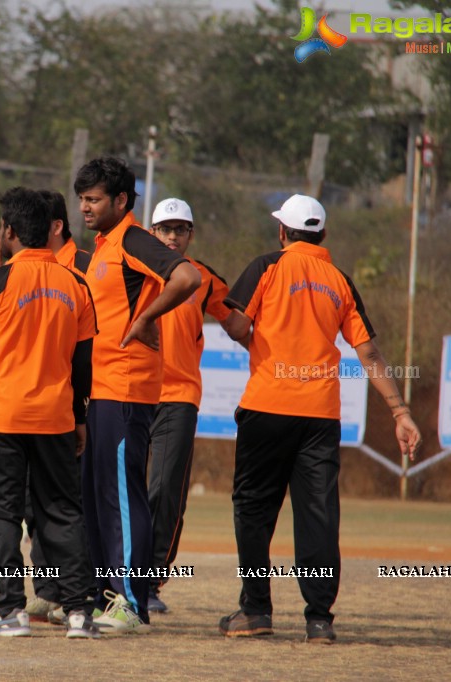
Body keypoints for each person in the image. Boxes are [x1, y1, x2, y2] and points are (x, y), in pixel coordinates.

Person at [220, 194, 422, 643]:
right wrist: (400, 411)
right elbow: (366, 350)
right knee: (317, 516)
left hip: (267, 407)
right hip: (319, 416)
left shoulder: (267, 266)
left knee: (253, 510)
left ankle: (255, 610)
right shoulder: (339, 279)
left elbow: (235, 325)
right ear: (323, 236)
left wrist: (253, 338)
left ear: (282, 232)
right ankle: (318, 620)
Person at [0, 187, 100, 639]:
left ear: (11, 232)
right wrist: (79, 418)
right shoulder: (75, 283)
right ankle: (78, 613)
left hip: (2, 419)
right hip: (55, 417)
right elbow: (83, 364)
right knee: (62, 512)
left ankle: (10, 611)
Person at [74, 157, 200, 634]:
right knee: (102, 497)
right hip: (101, 390)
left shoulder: (132, 239)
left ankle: (131, 601)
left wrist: (145, 319)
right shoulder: (104, 245)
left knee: (125, 498)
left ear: (121, 201)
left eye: (94, 199)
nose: (85, 207)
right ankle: (114, 597)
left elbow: (188, 278)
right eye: (82, 199)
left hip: (127, 388)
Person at [145, 197, 237, 615]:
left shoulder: (201, 277)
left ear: (190, 235)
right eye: (165, 229)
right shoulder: (136, 270)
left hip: (179, 396)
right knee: (119, 490)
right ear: (151, 233)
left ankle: (149, 581)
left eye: (180, 229)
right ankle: (109, 577)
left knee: (165, 491)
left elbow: (240, 322)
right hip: (130, 392)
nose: (172, 236)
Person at [23, 189, 92, 623]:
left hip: (74, 401)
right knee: (34, 507)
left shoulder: (82, 267)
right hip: (30, 401)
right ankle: (46, 592)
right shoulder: (21, 268)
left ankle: (77, 594)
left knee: (67, 505)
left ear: (53, 227)